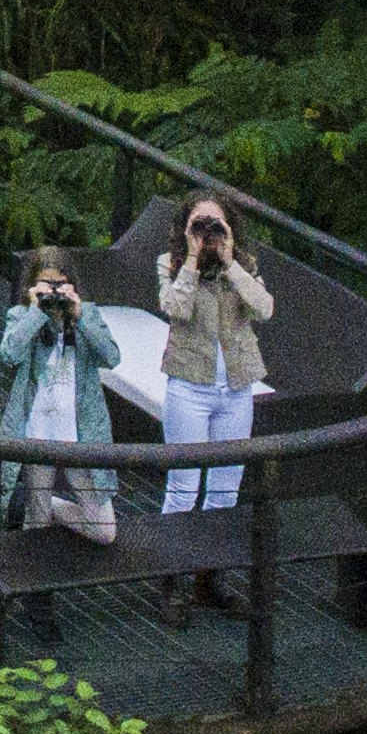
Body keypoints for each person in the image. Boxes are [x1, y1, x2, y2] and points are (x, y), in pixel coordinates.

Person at [157, 194, 278, 613]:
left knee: (225, 490)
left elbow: (264, 310)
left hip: (236, 390)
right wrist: (192, 259)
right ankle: (170, 582)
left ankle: (208, 580)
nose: (208, 233)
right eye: (199, 224)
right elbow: (174, 308)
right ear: (185, 228)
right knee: (183, 487)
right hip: (189, 386)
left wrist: (230, 262)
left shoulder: (243, 264)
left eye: (215, 225)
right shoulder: (171, 262)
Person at [0, 248, 123, 548]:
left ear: (72, 284)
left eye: (59, 284)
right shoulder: (21, 315)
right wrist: (36, 310)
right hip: (37, 432)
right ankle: (33, 581)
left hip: (80, 434)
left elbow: (112, 357)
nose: (53, 291)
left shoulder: (87, 314)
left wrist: (79, 315)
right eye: (46, 284)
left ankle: (49, 506)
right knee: (36, 527)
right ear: (33, 284)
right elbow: (9, 354)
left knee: (104, 530)